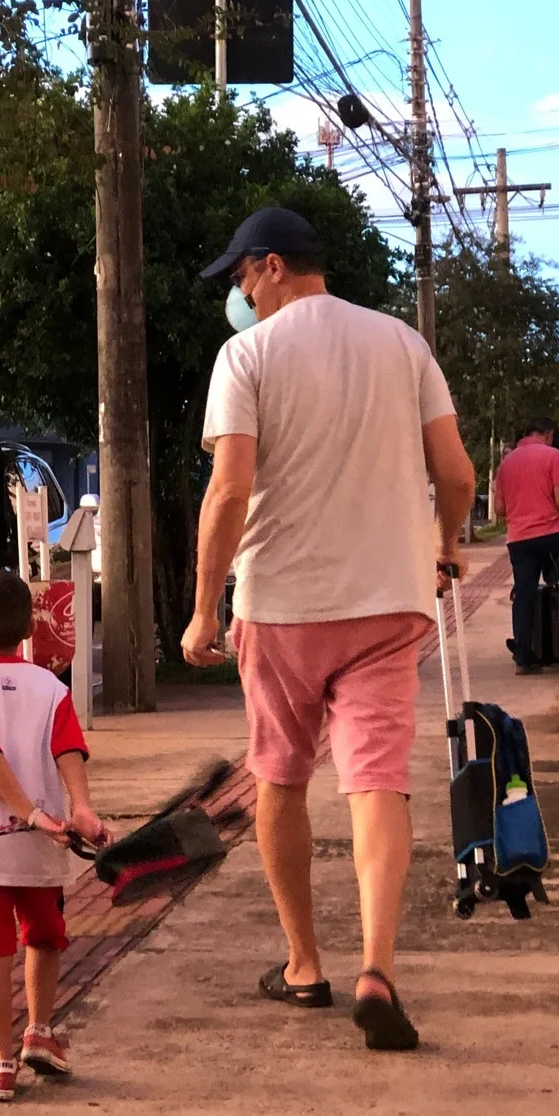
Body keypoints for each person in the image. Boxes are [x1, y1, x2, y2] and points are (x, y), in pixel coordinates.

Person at [181, 205, 476, 1053]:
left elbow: (229, 492)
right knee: (378, 783)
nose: (240, 293)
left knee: (281, 776)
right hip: (389, 602)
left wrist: (206, 607)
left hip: (280, 606)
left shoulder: (247, 356)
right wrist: (448, 546)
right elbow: (454, 470)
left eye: (241, 276)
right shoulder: (401, 345)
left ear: (273, 265)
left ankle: (305, 964)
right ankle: (377, 968)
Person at [0, 566, 106, 1101]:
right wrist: (81, 809)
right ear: (31, 630)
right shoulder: (51, 687)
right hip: (43, 844)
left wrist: (28, 813)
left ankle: (0, 1062)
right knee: (44, 933)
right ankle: (41, 1031)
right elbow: (68, 751)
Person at [491, 415, 559, 674]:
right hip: (551, 532)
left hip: (519, 539)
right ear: (548, 434)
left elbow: (499, 508)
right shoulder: (552, 456)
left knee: (524, 594)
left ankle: (523, 657)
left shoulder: (506, 463)